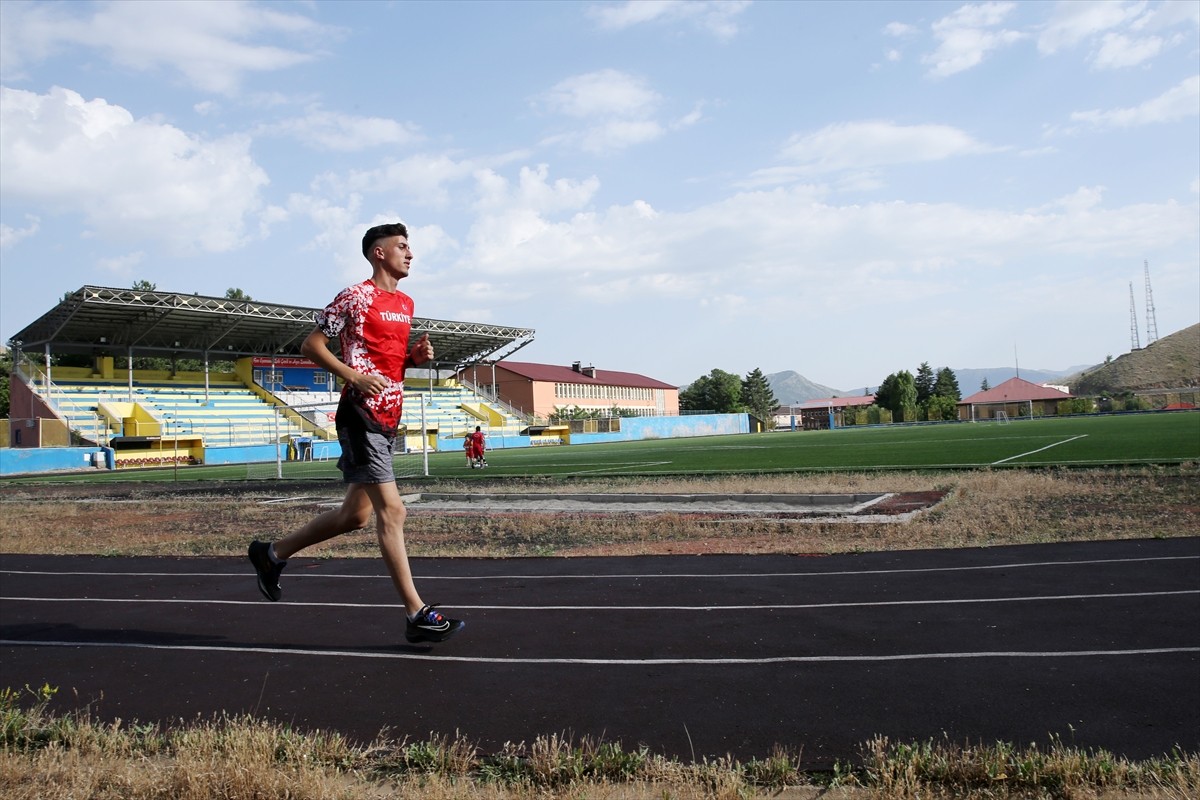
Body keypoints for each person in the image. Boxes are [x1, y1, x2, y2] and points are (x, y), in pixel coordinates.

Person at [248, 222, 464, 644]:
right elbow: (311, 346)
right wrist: (353, 377)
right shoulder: (355, 296)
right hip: (361, 413)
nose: (410, 253)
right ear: (378, 253)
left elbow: (384, 363)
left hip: (388, 415)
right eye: (402, 246)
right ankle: (416, 613)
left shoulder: (404, 302)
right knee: (394, 511)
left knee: (355, 516)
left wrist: (411, 361)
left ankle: (271, 555)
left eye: (410, 246)